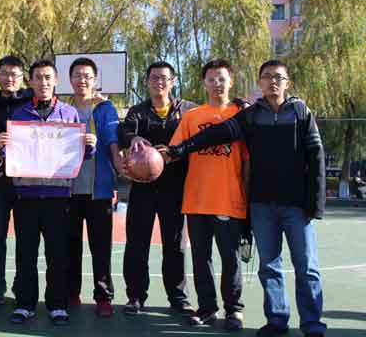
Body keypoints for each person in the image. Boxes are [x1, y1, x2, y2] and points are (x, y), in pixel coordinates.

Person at [166, 59, 327, 337]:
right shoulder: (251, 116)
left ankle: (312, 324)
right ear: (259, 83)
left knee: (307, 267)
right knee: (269, 267)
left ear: (287, 83)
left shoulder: (300, 112)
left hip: (296, 205)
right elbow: (219, 133)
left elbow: (316, 156)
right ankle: (277, 320)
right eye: (267, 77)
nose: (272, 81)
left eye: (278, 77)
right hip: (261, 204)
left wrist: (317, 201)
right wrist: (182, 148)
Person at [0, 59, 96, 326]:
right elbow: (9, 155)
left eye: (48, 77)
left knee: (57, 254)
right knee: (25, 254)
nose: (43, 82)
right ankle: (25, 304)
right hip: (26, 196)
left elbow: (79, 155)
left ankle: (57, 305)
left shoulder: (69, 114)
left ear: (56, 81)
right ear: (30, 82)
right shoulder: (18, 115)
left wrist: (89, 146)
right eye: (38, 78)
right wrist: (2, 146)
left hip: (58, 197)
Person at [168, 59, 249, 331]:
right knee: (201, 258)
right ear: (204, 83)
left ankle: (234, 309)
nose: (217, 84)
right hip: (197, 198)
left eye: (222, 79)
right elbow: (174, 151)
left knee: (230, 258)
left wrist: (248, 197)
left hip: (229, 198)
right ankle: (207, 308)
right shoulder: (192, 116)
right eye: (211, 79)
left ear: (231, 82)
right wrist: (145, 156)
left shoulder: (241, 114)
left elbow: (248, 161)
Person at [118, 61, 196, 316]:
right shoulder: (138, 112)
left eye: (163, 78)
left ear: (172, 82)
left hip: (175, 188)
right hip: (143, 188)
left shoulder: (188, 111)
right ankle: (135, 296)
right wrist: (133, 138)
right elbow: (123, 132)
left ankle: (178, 297)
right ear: (147, 82)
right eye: (154, 78)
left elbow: (200, 136)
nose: (158, 82)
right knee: (136, 243)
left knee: (175, 246)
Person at [66, 57, 123, 317]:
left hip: (98, 189)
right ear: (70, 80)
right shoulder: (62, 109)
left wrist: (120, 166)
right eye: (77, 75)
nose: (82, 80)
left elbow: (113, 142)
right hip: (67, 189)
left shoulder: (105, 108)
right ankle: (71, 292)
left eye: (87, 75)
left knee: (100, 247)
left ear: (95, 79)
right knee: (70, 245)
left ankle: (103, 296)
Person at [0, 55, 33, 305]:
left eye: (14, 74)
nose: (9, 78)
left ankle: (21, 285)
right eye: (4, 73)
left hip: (26, 180)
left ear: (22, 77)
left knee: (25, 239)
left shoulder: (32, 99)